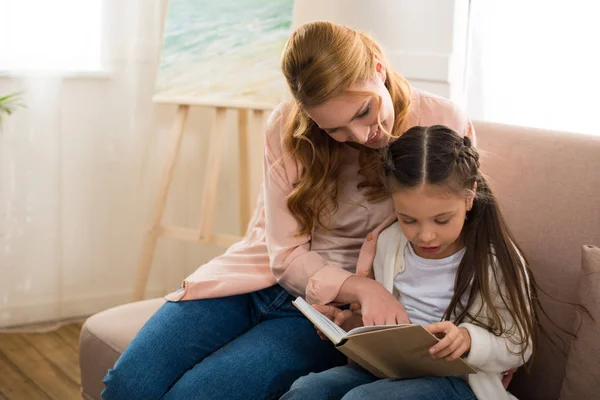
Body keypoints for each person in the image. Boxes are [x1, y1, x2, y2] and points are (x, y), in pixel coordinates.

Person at [101, 21, 476, 400]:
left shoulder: (441, 122)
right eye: (335, 129)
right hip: (251, 279)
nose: (362, 136)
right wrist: (363, 288)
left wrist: (371, 299)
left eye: (364, 111)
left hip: (321, 316)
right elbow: (283, 254)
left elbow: (464, 232)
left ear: (378, 67)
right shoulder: (285, 126)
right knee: (126, 386)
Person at [281, 125, 538, 400]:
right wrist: (345, 323)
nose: (425, 235)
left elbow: (519, 345)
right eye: (408, 220)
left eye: (442, 220)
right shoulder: (389, 243)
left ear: (469, 197)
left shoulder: (492, 260)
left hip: (460, 382)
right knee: (307, 391)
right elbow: (385, 326)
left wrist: (468, 340)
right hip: (391, 370)